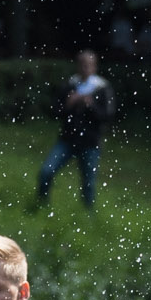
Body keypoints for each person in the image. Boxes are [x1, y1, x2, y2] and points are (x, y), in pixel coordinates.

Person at [38, 50, 114, 211]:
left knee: (88, 183)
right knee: (46, 171)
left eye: (88, 65)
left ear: (94, 67)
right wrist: (69, 104)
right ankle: (41, 204)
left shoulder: (102, 88)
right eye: (82, 64)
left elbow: (107, 115)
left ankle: (88, 215)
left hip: (90, 142)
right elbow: (55, 111)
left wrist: (90, 105)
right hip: (67, 139)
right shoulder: (70, 85)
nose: (85, 68)